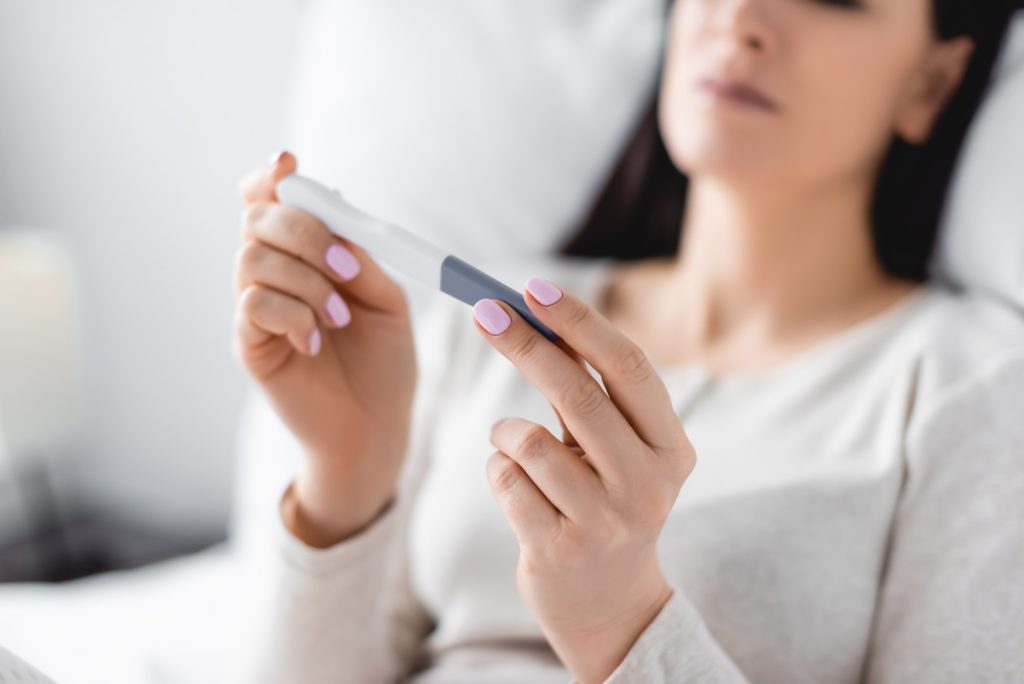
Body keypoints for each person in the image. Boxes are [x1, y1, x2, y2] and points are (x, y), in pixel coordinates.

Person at [231, 0, 1024, 682]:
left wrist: (622, 623)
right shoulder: (481, 324)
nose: (742, 18)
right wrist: (347, 474)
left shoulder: (973, 386)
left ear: (934, 82)